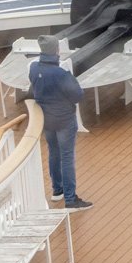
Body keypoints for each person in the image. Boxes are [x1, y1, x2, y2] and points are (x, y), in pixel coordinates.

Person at [24, 36, 91, 210]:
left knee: (54, 153)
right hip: (64, 120)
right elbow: (77, 95)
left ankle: (57, 190)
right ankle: (70, 199)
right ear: (56, 50)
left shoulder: (33, 68)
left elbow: (33, 86)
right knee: (67, 157)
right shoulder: (61, 73)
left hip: (47, 120)